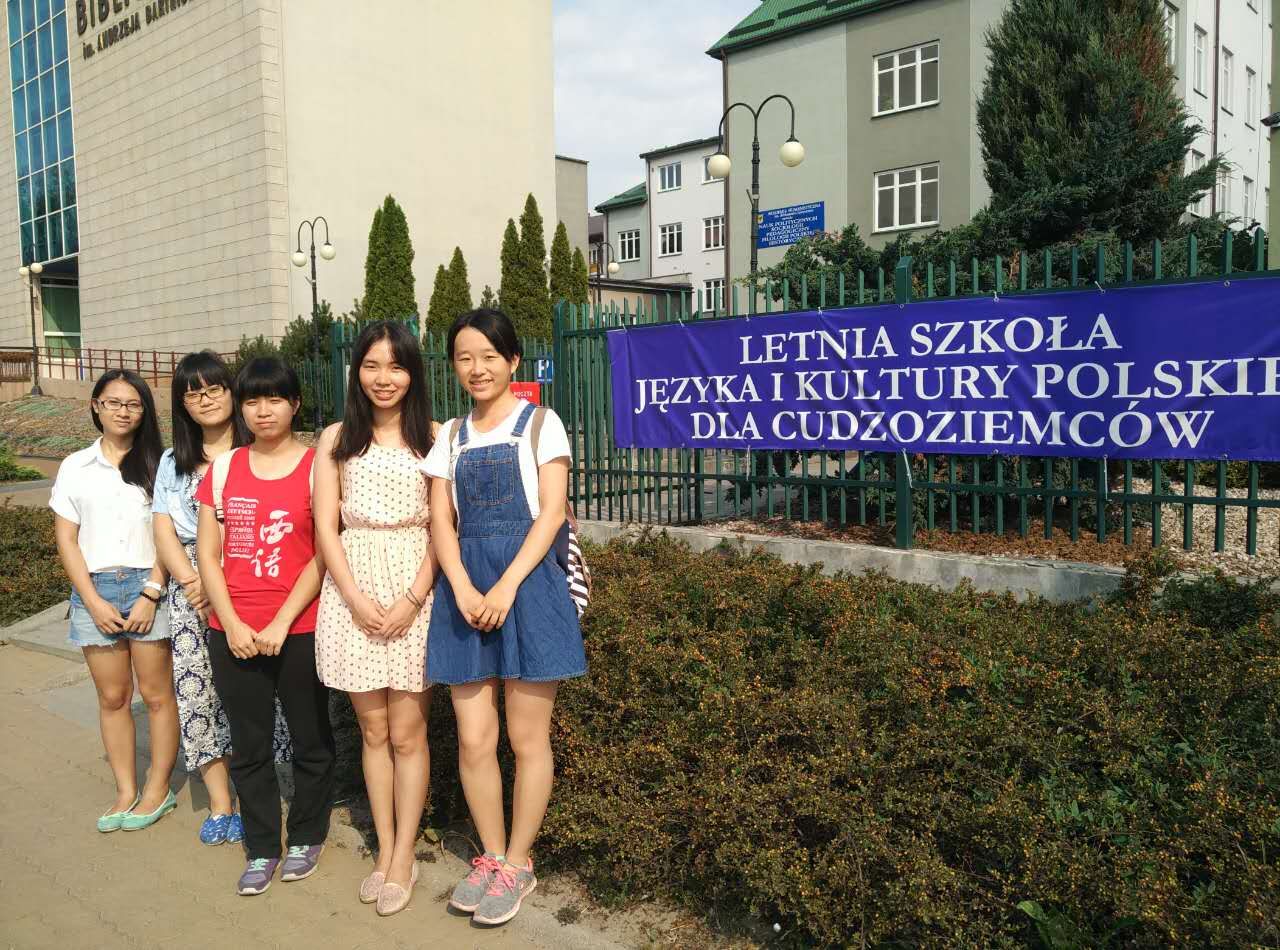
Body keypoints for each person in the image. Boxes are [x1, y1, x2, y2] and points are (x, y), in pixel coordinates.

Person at [422, 308, 587, 926]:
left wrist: (507, 586)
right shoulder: (450, 437)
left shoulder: (542, 424)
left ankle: (519, 862)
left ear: (512, 360)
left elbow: (552, 513)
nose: (477, 368)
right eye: (465, 357)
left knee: (526, 737)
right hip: (465, 593)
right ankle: (490, 855)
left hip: (529, 585)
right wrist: (464, 587)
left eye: (489, 356)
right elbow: (442, 522)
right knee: (474, 737)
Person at [195, 357, 335, 897]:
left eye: (274, 398)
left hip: (299, 628)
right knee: (248, 745)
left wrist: (281, 621)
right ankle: (260, 848)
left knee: (310, 740)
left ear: (294, 404)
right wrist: (229, 622)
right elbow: (208, 555)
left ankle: (306, 837)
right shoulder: (224, 469)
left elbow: (323, 553)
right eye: (252, 400)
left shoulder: (317, 468)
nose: (263, 410)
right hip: (232, 630)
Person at [314, 320, 438, 916]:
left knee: (409, 734)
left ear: (413, 372)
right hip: (353, 590)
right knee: (372, 732)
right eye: (371, 365)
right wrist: (357, 599)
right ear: (356, 371)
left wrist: (412, 598)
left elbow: (446, 527)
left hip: (416, 586)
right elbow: (325, 526)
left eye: (395, 365)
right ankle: (384, 848)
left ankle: (405, 853)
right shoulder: (336, 438)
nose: (383, 378)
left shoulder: (435, 438)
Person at [152, 351, 292, 847]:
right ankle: (219, 802)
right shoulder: (172, 461)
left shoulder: (256, 448)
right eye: (193, 393)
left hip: (252, 576)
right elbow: (163, 528)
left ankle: (261, 795)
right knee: (200, 693)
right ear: (182, 403)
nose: (205, 400)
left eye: (214, 389)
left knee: (256, 691)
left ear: (232, 394)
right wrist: (193, 582)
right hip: (193, 588)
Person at [50, 369, 178, 832]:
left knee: (158, 696)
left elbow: (169, 534)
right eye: (114, 402)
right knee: (112, 696)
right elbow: (67, 539)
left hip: (149, 587)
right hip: (95, 590)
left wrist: (152, 592)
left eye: (134, 403)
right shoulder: (75, 466)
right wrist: (91, 600)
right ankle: (125, 790)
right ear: (96, 406)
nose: (123, 411)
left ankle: (158, 789)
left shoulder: (161, 464)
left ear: (144, 410)